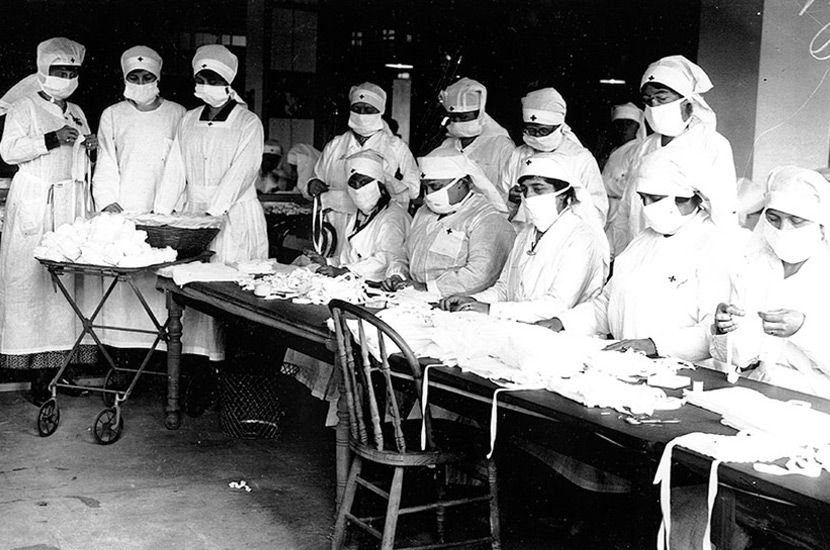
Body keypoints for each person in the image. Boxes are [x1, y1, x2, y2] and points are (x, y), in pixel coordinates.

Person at [539, 149, 732, 363]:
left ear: (684, 197)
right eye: (643, 198)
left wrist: (652, 345)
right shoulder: (644, 240)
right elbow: (606, 304)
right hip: (631, 365)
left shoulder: (714, 245)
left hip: (683, 370)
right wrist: (563, 323)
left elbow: (714, 330)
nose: (647, 207)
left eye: (655, 199)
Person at [154, 44, 267, 361]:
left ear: (229, 83)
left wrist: (212, 212)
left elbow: (243, 170)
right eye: (201, 79)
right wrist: (162, 213)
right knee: (193, 292)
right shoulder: (189, 119)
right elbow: (175, 168)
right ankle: (198, 363)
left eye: (214, 80)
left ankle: (228, 366)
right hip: (194, 216)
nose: (206, 86)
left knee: (229, 291)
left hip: (233, 215)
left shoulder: (247, 122)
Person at [0, 37, 98, 402]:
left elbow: (79, 156)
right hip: (37, 203)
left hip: (69, 205)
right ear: (43, 71)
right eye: (59, 71)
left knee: (67, 292)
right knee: (33, 287)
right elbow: (8, 151)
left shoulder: (77, 111)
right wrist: (51, 139)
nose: (66, 78)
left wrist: (90, 149)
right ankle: (37, 378)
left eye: (72, 72)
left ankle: (63, 370)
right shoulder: (24, 107)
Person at [439, 154, 608, 323]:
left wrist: (491, 309)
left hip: (557, 332)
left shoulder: (582, 238)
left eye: (538, 189)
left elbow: (558, 304)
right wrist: (473, 300)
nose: (529, 197)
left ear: (562, 193)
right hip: (516, 325)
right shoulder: (526, 234)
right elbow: (503, 289)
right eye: (525, 190)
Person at [93, 45, 186, 350]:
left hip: (163, 210)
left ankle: (158, 352)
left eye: (147, 77)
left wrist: (171, 205)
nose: (141, 83)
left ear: (158, 78)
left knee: (158, 283)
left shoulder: (177, 114)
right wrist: (107, 201)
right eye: (134, 77)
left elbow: (180, 164)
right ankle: (121, 351)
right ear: (125, 78)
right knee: (124, 286)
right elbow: (106, 159)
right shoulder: (113, 115)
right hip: (123, 209)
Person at [710, 166, 830, 398]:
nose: (783, 230)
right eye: (774, 219)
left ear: (822, 225)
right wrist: (723, 329)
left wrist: (803, 330)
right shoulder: (753, 266)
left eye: (797, 221)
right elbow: (729, 357)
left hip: (814, 399)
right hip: (753, 389)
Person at [606, 55, 737, 257]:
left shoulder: (712, 144)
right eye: (648, 101)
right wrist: (617, 249)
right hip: (639, 243)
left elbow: (724, 209)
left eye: (661, 98)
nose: (654, 105)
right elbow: (628, 204)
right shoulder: (645, 146)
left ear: (686, 102)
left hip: (686, 251)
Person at [382, 150, 515, 297]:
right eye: (425, 187)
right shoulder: (423, 212)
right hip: (412, 296)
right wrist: (397, 274)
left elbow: (480, 274)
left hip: (457, 302)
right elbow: (405, 252)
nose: (429, 194)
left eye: (435, 187)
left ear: (461, 183)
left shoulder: (487, 219)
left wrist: (427, 288)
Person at [307, 82, 418, 255]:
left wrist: (385, 188)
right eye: (357, 109)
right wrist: (312, 185)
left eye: (368, 110)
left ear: (380, 112)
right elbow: (317, 178)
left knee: (370, 264)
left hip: (375, 224)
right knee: (332, 264)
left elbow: (413, 188)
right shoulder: (336, 145)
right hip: (336, 220)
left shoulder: (395, 146)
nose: (362, 114)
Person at [500, 87, 608, 226]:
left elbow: (597, 210)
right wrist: (511, 201)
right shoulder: (518, 155)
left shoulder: (580, 158)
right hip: (521, 232)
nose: (537, 136)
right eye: (531, 130)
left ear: (558, 127)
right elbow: (498, 200)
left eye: (543, 131)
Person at [302, 149, 410, 281]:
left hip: (378, 284)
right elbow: (351, 258)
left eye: (364, 182)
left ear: (380, 185)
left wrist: (345, 271)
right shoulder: (359, 215)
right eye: (353, 184)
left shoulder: (393, 216)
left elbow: (388, 259)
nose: (358, 189)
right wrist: (328, 262)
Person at [432, 77, 514, 209]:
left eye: (464, 117)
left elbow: (508, 189)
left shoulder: (501, 145)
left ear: (479, 114)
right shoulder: (448, 145)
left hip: (490, 213)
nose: (457, 122)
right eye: (453, 117)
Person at [601, 102, 644, 226]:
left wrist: (600, 183)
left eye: (629, 123)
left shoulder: (638, 150)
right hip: (608, 211)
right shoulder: (614, 150)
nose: (624, 128)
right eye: (619, 123)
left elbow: (631, 186)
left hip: (622, 214)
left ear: (637, 126)